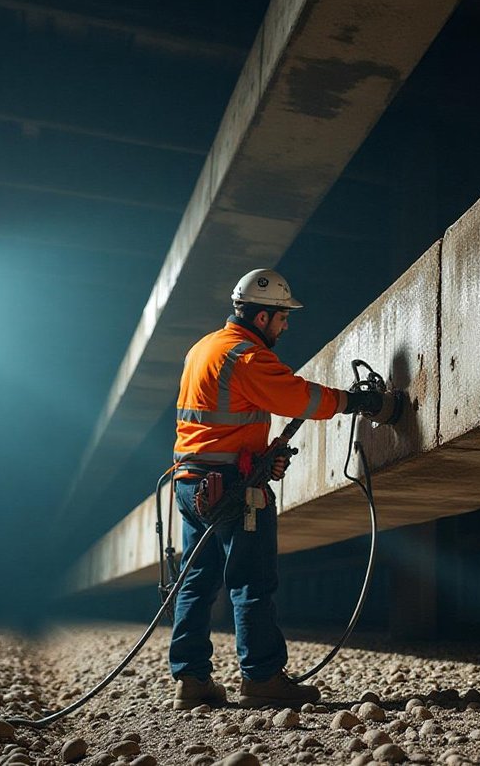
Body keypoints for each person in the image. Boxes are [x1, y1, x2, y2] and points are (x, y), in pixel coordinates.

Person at [168, 268, 385, 708]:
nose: (285, 326)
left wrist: (258, 453)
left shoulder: (203, 348)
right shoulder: (246, 356)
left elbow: (222, 421)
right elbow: (300, 397)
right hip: (231, 488)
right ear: (263, 316)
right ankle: (263, 677)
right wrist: (354, 401)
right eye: (283, 317)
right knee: (252, 581)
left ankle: (190, 681)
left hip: (191, 483)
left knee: (195, 581)